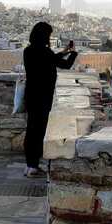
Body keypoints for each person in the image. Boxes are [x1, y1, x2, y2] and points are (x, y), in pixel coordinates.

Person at [22, 21, 77, 178]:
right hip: (43, 97)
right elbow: (65, 65)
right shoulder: (45, 53)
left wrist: (64, 51)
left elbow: (51, 59)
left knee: (31, 130)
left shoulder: (28, 51)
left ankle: (29, 165)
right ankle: (34, 166)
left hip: (31, 95)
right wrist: (73, 53)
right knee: (39, 132)